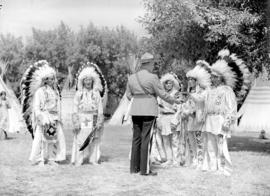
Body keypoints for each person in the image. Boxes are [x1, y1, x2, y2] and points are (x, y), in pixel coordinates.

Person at [190, 49, 250, 176]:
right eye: (212, 77)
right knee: (210, 146)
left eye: (215, 77)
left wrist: (228, 121)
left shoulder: (226, 90)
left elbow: (231, 108)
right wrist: (191, 92)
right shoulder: (209, 90)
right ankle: (213, 167)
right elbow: (200, 99)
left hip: (220, 120)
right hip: (209, 121)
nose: (212, 79)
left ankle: (224, 168)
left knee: (221, 145)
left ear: (221, 78)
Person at [125, 52, 181, 176]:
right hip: (149, 110)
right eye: (153, 64)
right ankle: (144, 169)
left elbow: (128, 95)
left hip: (135, 110)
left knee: (136, 139)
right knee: (146, 139)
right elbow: (163, 94)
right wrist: (175, 100)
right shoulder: (153, 77)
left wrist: (138, 99)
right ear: (149, 63)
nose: (153, 66)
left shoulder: (132, 78)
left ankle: (134, 168)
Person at [22, 60, 66, 166]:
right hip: (44, 117)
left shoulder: (55, 92)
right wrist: (40, 116)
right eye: (49, 79)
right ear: (45, 80)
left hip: (54, 117)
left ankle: (52, 158)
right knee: (41, 138)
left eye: (53, 78)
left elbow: (58, 105)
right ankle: (40, 159)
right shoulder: (40, 91)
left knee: (54, 138)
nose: (51, 80)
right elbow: (36, 106)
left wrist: (59, 116)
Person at [71, 64, 105, 166]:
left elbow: (100, 107)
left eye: (90, 80)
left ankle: (93, 159)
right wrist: (76, 121)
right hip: (82, 117)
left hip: (94, 117)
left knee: (93, 139)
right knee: (81, 139)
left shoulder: (96, 93)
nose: (88, 82)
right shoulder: (79, 93)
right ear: (82, 81)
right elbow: (75, 108)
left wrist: (100, 120)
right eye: (86, 80)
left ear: (93, 81)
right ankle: (79, 160)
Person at [180, 61, 211, 169]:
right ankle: (193, 159)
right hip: (189, 119)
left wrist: (191, 96)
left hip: (198, 118)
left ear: (197, 81)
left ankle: (200, 160)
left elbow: (200, 99)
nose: (189, 81)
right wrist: (184, 110)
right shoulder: (189, 91)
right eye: (188, 79)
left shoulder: (202, 90)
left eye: (192, 79)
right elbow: (185, 104)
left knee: (199, 140)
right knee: (190, 140)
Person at [156, 73, 180, 167]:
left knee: (175, 140)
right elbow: (158, 107)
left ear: (173, 84)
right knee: (165, 140)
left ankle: (176, 160)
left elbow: (179, 108)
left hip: (173, 117)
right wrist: (158, 119)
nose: (168, 85)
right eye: (166, 83)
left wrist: (175, 119)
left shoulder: (176, 94)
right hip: (164, 118)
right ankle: (169, 159)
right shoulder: (162, 95)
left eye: (170, 83)